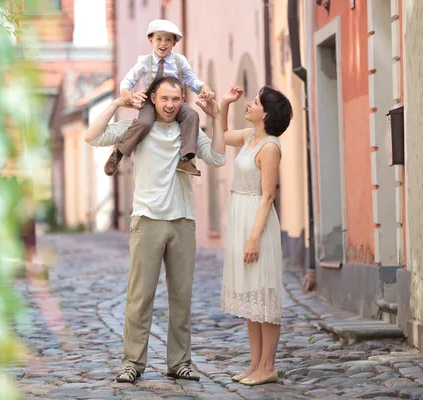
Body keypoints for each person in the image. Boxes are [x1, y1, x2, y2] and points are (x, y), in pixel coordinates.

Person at [85, 76, 226, 384]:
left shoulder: (188, 130)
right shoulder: (140, 128)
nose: (170, 105)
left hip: (182, 221)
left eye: (176, 99)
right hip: (147, 220)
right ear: (152, 100)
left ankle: (180, 363)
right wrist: (116, 103)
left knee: (181, 297)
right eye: (164, 99)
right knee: (140, 297)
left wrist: (216, 118)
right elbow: (92, 137)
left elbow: (217, 157)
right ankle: (132, 363)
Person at [219, 84, 292, 386]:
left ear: (267, 114)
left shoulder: (270, 147)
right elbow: (222, 137)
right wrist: (223, 104)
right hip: (241, 217)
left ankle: (268, 366)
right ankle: (254, 364)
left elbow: (267, 196)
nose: (249, 104)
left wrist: (253, 237)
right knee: (251, 297)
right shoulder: (250, 138)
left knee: (265, 297)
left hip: (257, 223)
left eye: (256, 102)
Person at [103, 19, 215, 178]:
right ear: (151, 40)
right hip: (151, 101)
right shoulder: (144, 61)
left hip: (173, 101)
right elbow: (129, 80)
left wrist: (203, 87)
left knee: (192, 115)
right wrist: (125, 91)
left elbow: (191, 80)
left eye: (168, 40)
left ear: (174, 43)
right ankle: (118, 153)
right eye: (159, 39)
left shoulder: (179, 61)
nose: (163, 44)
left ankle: (185, 158)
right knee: (144, 122)